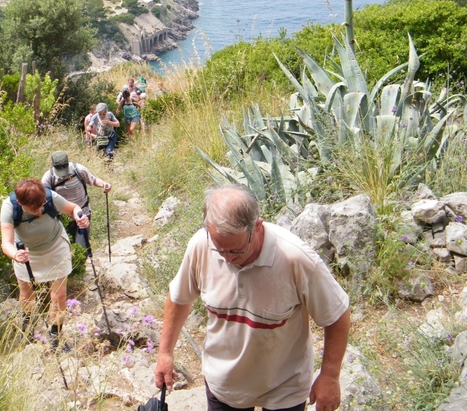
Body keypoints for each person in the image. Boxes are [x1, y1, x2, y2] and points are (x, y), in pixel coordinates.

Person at [154, 185, 350, 411]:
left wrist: (330, 375)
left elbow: (337, 314)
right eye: (220, 250)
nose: (227, 259)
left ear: (257, 227)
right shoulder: (202, 245)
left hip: (284, 388)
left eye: (236, 250)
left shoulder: (296, 258)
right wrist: (165, 353)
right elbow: (179, 298)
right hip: (224, 384)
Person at [0, 178, 89, 352]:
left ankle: (55, 335)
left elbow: (73, 209)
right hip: (25, 253)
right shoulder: (9, 207)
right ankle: (27, 324)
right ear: (20, 203)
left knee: (60, 295)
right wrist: (15, 255)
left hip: (55, 246)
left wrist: (80, 217)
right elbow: (6, 243)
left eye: (41, 205)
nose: (39, 210)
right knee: (26, 294)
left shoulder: (50, 197)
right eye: (33, 209)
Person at [41, 150, 111, 257]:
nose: (62, 170)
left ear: (68, 163)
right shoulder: (49, 177)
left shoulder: (79, 170)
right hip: (62, 218)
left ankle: (83, 267)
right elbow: (43, 196)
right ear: (52, 165)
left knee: (81, 248)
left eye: (64, 167)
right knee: (66, 248)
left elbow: (93, 180)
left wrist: (104, 184)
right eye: (59, 168)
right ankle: (73, 272)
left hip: (82, 214)